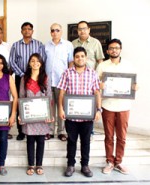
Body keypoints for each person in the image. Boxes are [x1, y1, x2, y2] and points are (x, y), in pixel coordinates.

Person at [58, 47, 101, 178]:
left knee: (86, 141)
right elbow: (62, 92)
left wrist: (98, 110)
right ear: (74, 58)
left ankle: (85, 165)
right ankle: (70, 165)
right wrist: (60, 108)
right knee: (71, 140)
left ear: (86, 58)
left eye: (82, 56)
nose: (80, 58)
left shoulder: (93, 73)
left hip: (87, 116)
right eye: (77, 56)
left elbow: (97, 92)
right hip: (71, 115)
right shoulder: (67, 73)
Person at [96, 39, 138, 175]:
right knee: (109, 136)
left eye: (117, 48)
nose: (114, 50)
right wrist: (100, 85)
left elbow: (134, 83)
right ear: (107, 51)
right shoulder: (102, 66)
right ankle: (109, 161)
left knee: (122, 136)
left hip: (124, 106)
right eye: (111, 48)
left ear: (120, 49)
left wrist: (135, 87)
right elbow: (96, 85)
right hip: (107, 105)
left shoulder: (128, 65)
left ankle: (119, 161)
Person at [10, 22, 46, 141]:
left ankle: (37, 127)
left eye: (29, 29)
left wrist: (34, 73)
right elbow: (12, 61)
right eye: (24, 29)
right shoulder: (16, 45)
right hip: (20, 78)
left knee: (35, 101)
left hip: (36, 77)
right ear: (21, 31)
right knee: (21, 101)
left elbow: (43, 59)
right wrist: (22, 74)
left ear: (32, 31)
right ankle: (21, 131)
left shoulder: (39, 44)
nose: (27, 31)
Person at [18, 53, 53, 176]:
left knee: (41, 140)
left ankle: (39, 164)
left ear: (41, 63)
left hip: (42, 115)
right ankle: (31, 165)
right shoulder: (24, 78)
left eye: (37, 61)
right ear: (29, 63)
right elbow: (21, 97)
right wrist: (21, 115)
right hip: (29, 114)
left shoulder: (45, 78)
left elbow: (50, 97)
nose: (35, 63)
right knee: (30, 140)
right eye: (32, 61)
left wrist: (50, 114)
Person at [72, 20, 104, 140]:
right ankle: (75, 129)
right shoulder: (73, 43)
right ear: (77, 31)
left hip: (91, 79)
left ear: (89, 29)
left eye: (84, 28)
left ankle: (90, 130)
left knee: (91, 104)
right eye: (80, 29)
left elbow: (100, 61)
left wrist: (99, 78)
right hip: (77, 78)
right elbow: (71, 62)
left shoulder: (96, 43)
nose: (82, 31)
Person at [44, 23, 73, 141]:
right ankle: (49, 131)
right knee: (50, 108)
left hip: (63, 82)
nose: (55, 32)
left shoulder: (68, 45)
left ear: (61, 32)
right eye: (52, 30)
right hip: (49, 82)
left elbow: (71, 62)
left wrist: (69, 79)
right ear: (50, 32)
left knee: (61, 106)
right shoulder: (46, 46)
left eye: (57, 30)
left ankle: (61, 131)